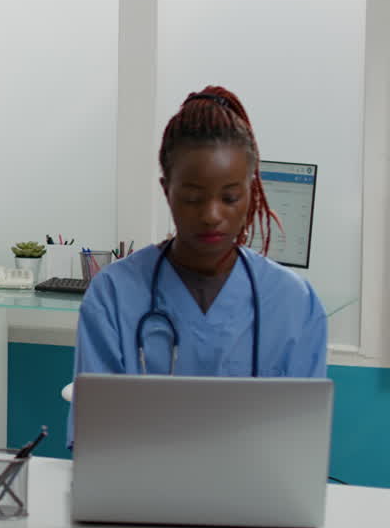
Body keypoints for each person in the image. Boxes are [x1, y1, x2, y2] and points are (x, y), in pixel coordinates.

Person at [68, 86, 327, 440]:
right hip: (138, 494)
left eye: (230, 197)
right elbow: (95, 438)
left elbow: (301, 444)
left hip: (256, 496)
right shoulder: (113, 295)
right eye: (192, 197)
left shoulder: (295, 303)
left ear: (251, 190)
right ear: (166, 190)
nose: (211, 215)